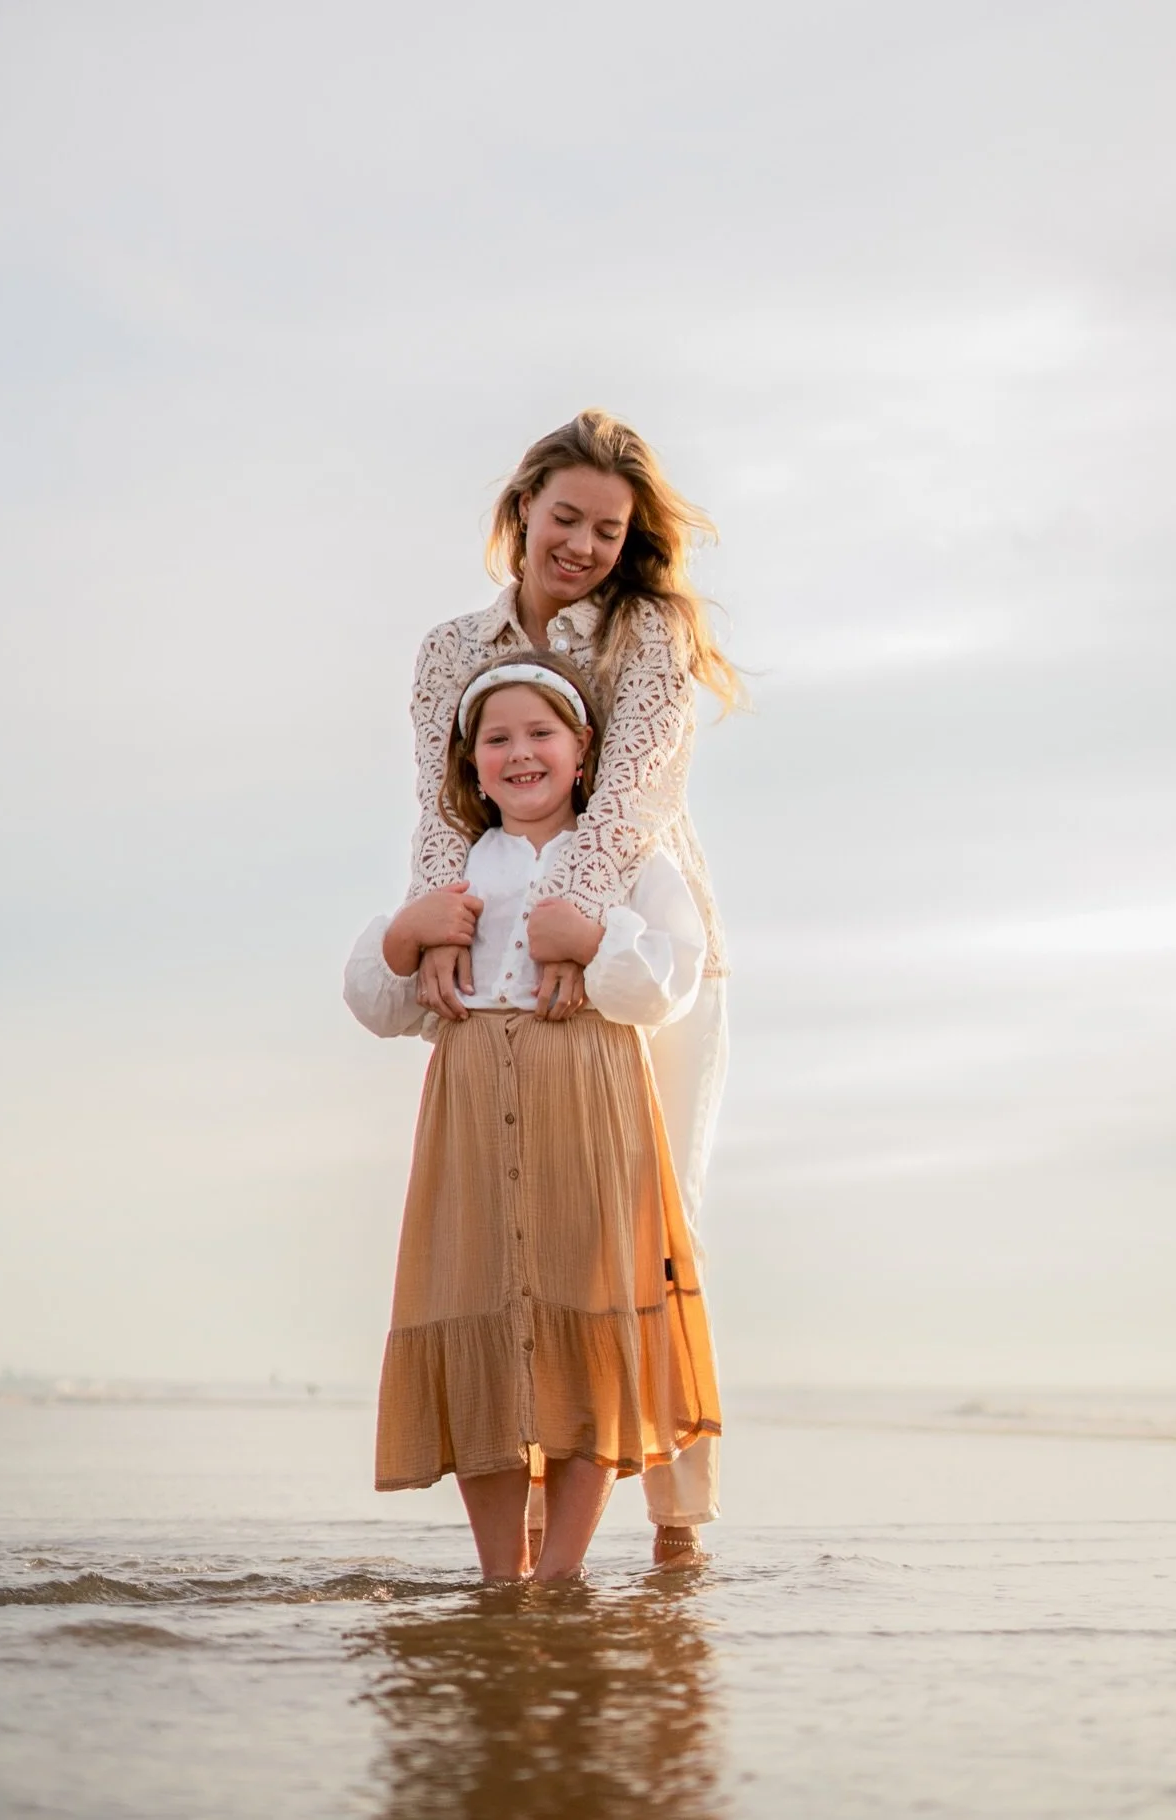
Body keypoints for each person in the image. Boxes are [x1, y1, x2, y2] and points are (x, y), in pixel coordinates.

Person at [403, 409, 742, 1563]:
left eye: (609, 528)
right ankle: (536, 1479)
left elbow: (635, 791)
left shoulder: (650, 631)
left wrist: (574, 934)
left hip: (642, 943)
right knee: (520, 1233)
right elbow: (442, 800)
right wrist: (444, 923)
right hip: (506, 949)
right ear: (524, 509)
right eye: (567, 518)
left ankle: (677, 1509)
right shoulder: (452, 646)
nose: (585, 544)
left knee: (653, 1223)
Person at [344, 654, 720, 1581]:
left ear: (583, 752)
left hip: (587, 1097)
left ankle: (559, 1569)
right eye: (497, 739)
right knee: (475, 1310)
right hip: (471, 1101)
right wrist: (403, 934)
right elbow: (383, 1006)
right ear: (471, 766)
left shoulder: (633, 860)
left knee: (583, 1320)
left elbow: (672, 980)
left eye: (539, 733)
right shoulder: (457, 869)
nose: (520, 754)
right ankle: (499, 1570)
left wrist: (594, 942)